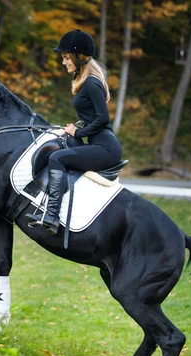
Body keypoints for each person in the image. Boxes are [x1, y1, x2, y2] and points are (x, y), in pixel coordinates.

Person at [25, 29, 123, 235]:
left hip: (106, 148)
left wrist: (78, 133)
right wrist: (74, 130)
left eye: (66, 57)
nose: (64, 62)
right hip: (98, 143)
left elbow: (103, 119)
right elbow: (93, 118)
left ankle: (51, 216)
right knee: (61, 149)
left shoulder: (91, 84)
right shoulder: (86, 83)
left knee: (57, 158)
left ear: (79, 57)